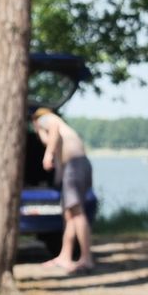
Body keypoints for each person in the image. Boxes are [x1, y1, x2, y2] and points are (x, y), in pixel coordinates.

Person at [32, 107, 95, 274]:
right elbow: (60, 168)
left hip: (75, 166)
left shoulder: (44, 118)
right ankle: (64, 256)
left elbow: (52, 129)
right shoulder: (63, 132)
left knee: (77, 212)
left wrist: (48, 153)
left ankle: (86, 258)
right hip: (74, 167)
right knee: (69, 214)